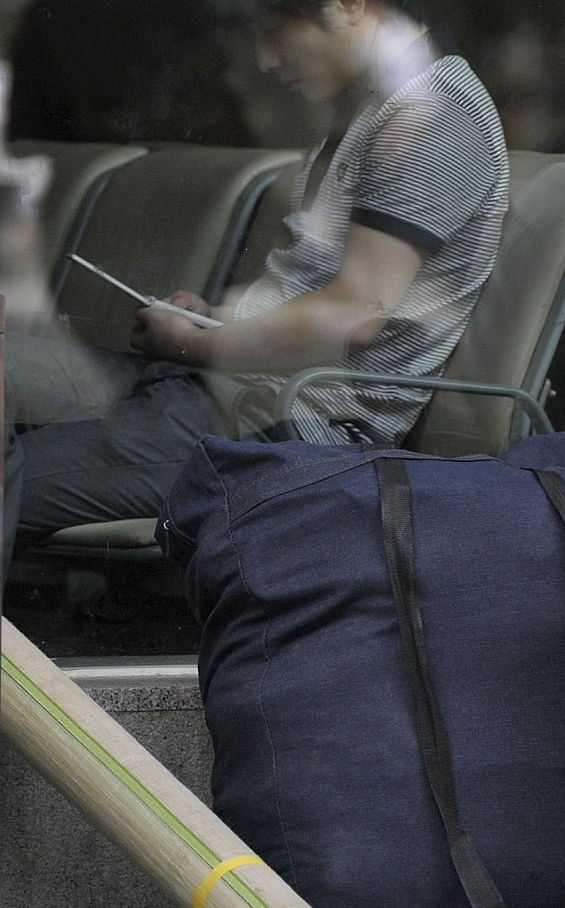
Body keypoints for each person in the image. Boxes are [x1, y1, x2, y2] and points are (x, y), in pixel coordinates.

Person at [3, 0, 509, 562]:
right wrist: (213, 319)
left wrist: (195, 340)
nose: (266, 60)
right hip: (225, 389)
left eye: (276, 30)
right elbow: (315, 293)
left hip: (288, 426)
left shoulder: (434, 118)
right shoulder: (374, 107)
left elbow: (351, 318)